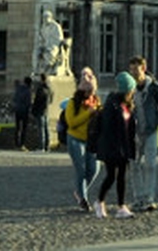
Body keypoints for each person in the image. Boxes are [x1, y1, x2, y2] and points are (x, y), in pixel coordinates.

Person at [90, 72, 138, 218]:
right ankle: (100, 201)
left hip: (123, 147)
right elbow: (109, 129)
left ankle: (121, 206)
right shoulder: (112, 105)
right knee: (111, 176)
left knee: (122, 176)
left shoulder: (126, 105)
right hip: (112, 147)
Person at [127, 54, 158, 212]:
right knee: (134, 166)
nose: (133, 73)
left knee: (150, 165)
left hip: (150, 131)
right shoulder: (129, 88)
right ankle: (138, 198)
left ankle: (149, 198)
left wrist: (155, 121)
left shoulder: (154, 87)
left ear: (143, 68)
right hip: (134, 133)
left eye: (136, 70)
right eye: (131, 70)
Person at [61, 69, 101, 212]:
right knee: (81, 170)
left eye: (92, 92)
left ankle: (79, 192)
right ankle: (83, 200)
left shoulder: (96, 102)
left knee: (94, 169)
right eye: (88, 92)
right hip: (75, 139)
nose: (90, 95)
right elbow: (72, 122)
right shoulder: (73, 103)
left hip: (91, 140)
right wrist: (88, 113)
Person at [31, 75, 52, 152]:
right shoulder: (49, 89)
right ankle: (47, 146)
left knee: (41, 129)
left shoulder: (41, 89)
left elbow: (37, 101)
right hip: (46, 110)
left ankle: (41, 146)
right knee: (46, 129)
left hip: (40, 111)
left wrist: (34, 109)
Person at [11, 77, 33, 150]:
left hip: (17, 110)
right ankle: (22, 144)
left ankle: (16, 143)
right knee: (24, 128)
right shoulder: (28, 91)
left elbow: (14, 99)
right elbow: (28, 103)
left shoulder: (18, 89)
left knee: (17, 127)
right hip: (24, 111)